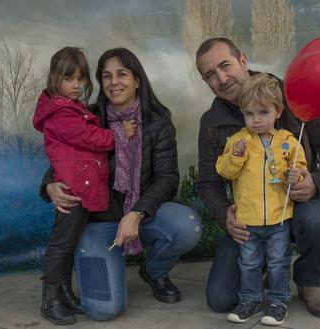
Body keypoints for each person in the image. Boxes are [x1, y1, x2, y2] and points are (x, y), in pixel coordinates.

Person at [39, 47, 202, 322]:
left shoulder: (157, 122)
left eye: (122, 74)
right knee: (104, 310)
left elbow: (167, 178)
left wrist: (137, 213)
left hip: (137, 215)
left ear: (137, 79)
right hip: (96, 221)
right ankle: (62, 289)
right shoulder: (87, 117)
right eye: (106, 76)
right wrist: (48, 186)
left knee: (187, 225)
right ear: (101, 83)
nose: (114, 82)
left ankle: (154, 270)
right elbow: (63, 159)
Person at [196, 37, 320, 318]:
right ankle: (266, 265)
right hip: (251, 217)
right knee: (221, 299)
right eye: (210, 74)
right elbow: (209, 182)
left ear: (243, 60)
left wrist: (315, 182)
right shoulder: (212, 121)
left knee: (318, 220)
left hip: (297, 205)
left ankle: (309, 281)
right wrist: (225, 216)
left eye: (225, 65)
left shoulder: (289, 94)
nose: (221, 78)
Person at [216, 73, 307, 325]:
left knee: (278, 263)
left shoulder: (288, 141)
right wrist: (236, 156)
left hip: (278, 219)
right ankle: (250, 299)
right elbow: (224, 170)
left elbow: (300, 170)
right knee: (248, 263)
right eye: (249, 114)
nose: (255, 120)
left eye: (263, 113)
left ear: (278, 111)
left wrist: (296, 176)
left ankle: (278, 301)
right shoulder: (237, 141)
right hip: (248, 220)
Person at [33, 47, 115, 325]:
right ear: (55, 78)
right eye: (69, 79)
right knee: (60, 246)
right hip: (73, 189)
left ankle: (65, 293)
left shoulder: (71, 107)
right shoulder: (62, 113)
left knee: (68, 245)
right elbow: (88, 138)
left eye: (81, 79)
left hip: (80, 185)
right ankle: (50, 298)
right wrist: (116, 135)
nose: (77, 85)